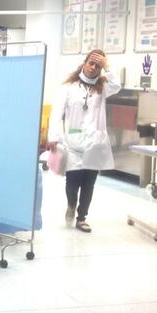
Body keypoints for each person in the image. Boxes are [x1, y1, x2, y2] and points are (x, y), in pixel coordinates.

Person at [47, 49, 121, 233]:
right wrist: (53, 137)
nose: (93, 68)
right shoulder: (68, 87)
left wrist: (108, 66)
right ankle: (71, 204)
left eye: (98, 65)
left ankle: (82, 218)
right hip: (72, 142)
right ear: (84, 63)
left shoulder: (102, 88)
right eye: (91, 63)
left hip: (94, 143)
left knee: (89, 183)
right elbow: (57, 114)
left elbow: (117, 84)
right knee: (72, 183)